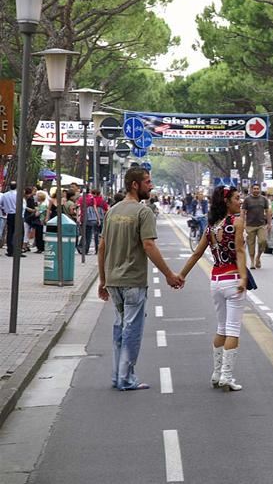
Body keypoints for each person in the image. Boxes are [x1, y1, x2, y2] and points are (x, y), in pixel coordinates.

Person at [98, 168, 183, 391]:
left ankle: (118, 375)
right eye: (147, 182)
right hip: (133, 281)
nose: (151, 185)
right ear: (135, 185)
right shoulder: (142, 212)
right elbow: (149, 245)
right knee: (132, 330)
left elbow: (102, 247)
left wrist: (102, 280)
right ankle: (126, 378)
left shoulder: (113, 211)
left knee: (119, 327)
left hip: (114, 281)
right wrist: (169, 275)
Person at [179, 185, 248, 391]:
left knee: (221, 327)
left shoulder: (211, 227)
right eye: (237, 198)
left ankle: (216, 373)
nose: (240, 201)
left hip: (216, 282)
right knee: (233, 330)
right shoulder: (236, 222)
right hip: (233, 279)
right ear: (227, 202)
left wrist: (181, 275)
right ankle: (227, 376)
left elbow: (196, 254)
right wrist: (243, 277)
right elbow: (240, 250)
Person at [242, 183, 271, 269]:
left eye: (257, 188)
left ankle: (258, 257)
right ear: (251, 190)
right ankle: (252, 262)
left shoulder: (264, 199)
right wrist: (242, 224)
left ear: (260, 189)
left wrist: (269, 224)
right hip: (250, 225)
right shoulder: (247, 200)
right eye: (254, 188)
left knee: (263, 241)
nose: (256, 190)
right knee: (251, 244)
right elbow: (243, 212)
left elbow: (268, 212)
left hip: (261, 225)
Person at [1, 182, 22, 257]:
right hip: (17, 214)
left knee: (10, 232)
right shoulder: (18, 195)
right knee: (19, 232)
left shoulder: (5, 195)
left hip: (9, 214)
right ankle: (17, 250)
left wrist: (4, 210)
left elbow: (2, 204)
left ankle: (10, 250)